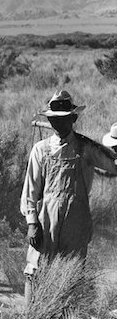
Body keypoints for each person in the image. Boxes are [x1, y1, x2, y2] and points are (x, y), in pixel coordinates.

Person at [21, 90, 117, 297]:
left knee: (71, 274)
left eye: (63, 119)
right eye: (54, 119)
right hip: (45, 220)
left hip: (77, 220)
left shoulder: (87, 148)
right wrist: (32, 223)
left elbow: (113, 166)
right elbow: (31, 191)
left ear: (73, 118)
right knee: (35, 269)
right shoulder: (40, 150)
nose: (58, 124)